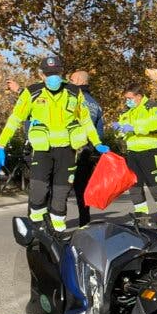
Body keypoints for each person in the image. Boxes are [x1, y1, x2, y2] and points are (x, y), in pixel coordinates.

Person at [0, 55, 108, 232]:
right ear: (41, 75)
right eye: (48, 73)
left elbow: (85, 121)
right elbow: (14, 120)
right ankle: (38, 230)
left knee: (60, 196)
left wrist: (97, 143)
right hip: (42, 151)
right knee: (38, 193)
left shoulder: (74, 93)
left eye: (56, 73)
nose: (52, 77)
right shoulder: (31, 93)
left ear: (61, 73)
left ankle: (58, 233)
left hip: (67, 152)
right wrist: (0, 146)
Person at [112, 84, 157, 223]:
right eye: (125, 99)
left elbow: (155, 125)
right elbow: (121, 133)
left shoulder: (152, 108)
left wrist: (133, 128)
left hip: (149, 152)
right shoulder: (126, 112)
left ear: (139, 97)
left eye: (129, 98)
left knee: (155, 187)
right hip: (132, 153)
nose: (127, 101)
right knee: (134, 187)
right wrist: (118, 130)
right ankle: (142, 218)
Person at [66, 70, 104, 227]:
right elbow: (99, 132)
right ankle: (84, 223)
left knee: (59, 190)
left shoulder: (71, 98)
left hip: (67, 150)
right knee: (82, 192)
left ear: (80, 81)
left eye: (71, 79)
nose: (69, 81)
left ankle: (55, 226)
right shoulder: (96, 104)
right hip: (86, 153)